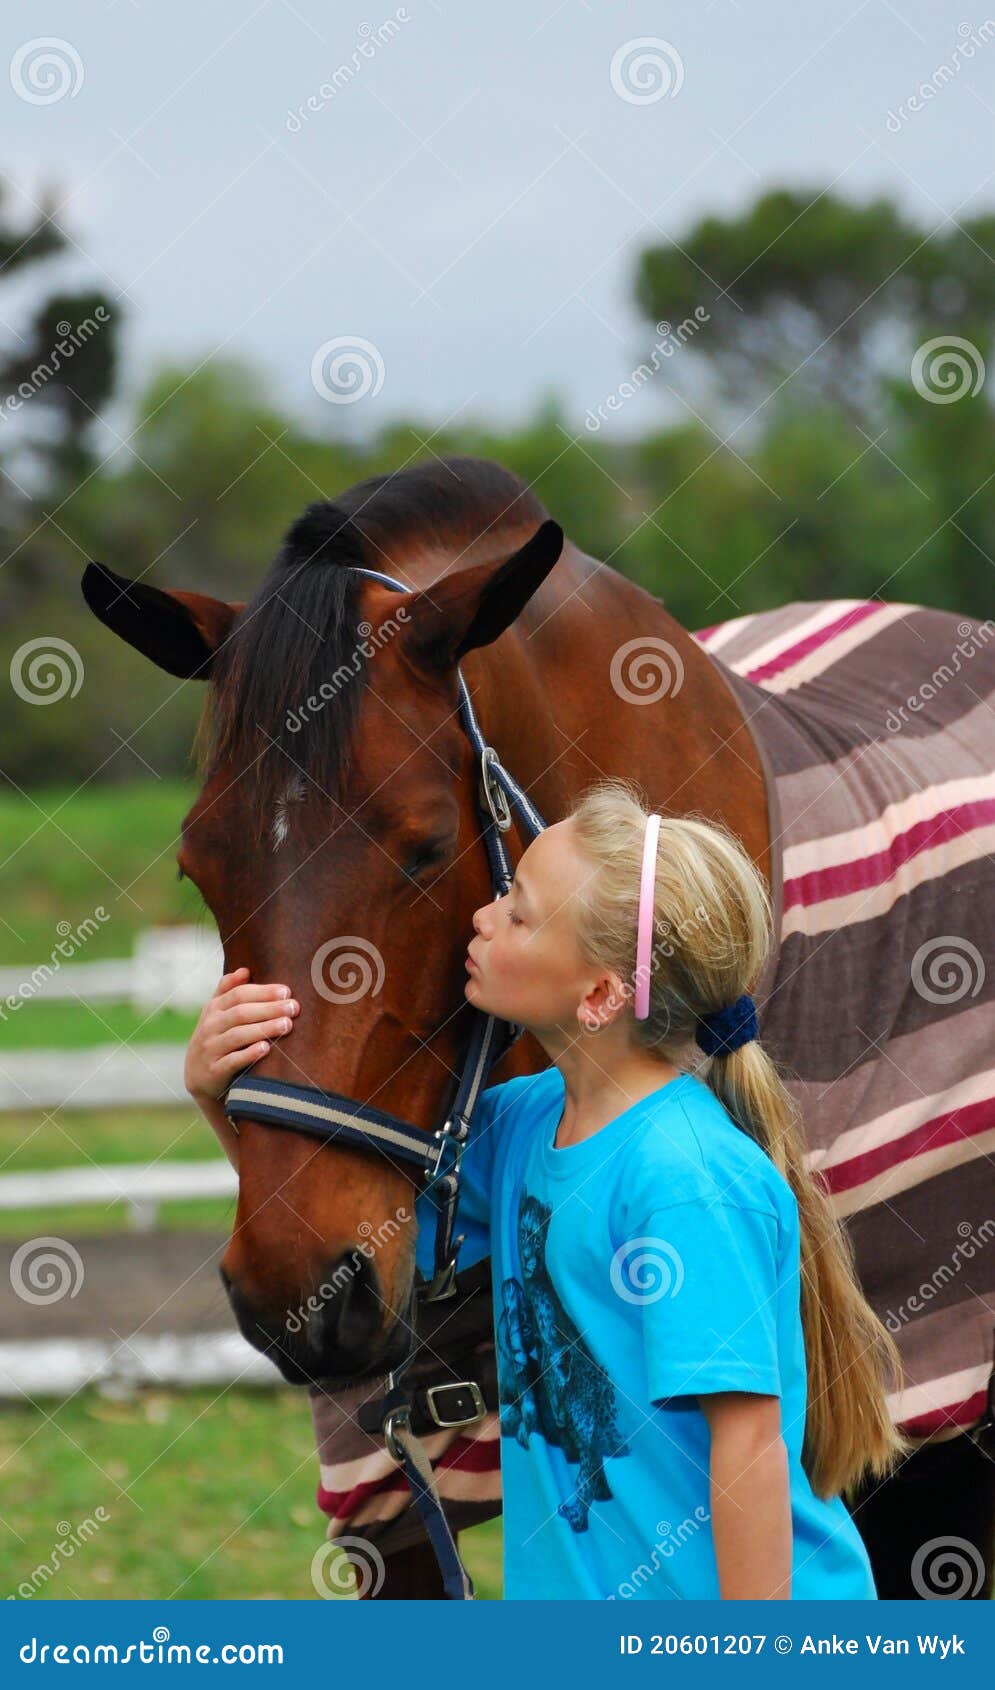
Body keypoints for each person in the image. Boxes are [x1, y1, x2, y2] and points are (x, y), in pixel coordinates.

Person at [186, 775, 910, 1600]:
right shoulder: (524, 1123)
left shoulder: (686, 1181)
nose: (483, 917)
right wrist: (219, 1096)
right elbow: (346, 1230)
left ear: (597, 994)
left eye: (520, 914)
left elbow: (747, 1447)